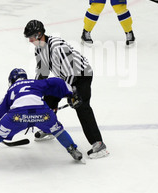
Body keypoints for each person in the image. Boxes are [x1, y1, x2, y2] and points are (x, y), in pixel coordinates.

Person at [0, 68, 84, 167]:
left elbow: (1, 110)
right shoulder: (35, 82)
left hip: (16, 117)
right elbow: (57, 82)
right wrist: (71, 94)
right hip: (42, 114)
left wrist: (0, 129)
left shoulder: (11, 90)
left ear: (11, 80)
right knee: (57, 130)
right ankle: (73, 149)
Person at [23, 19, 109, 159]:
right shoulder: (39, 48)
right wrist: (36, 90)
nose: (30, 40)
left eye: (31, 37)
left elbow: (71, 72)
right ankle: (49, 128)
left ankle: (98, 144)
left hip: (81, 76)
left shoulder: (58, 47)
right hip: (65, 76)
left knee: (81, 106)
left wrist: (72, 94)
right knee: (49, 96)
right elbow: (42, 72)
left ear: (39, 34)